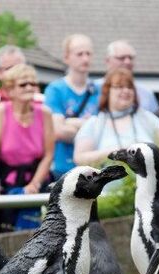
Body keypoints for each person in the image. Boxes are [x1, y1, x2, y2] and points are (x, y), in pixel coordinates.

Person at [0, 64, 54, 230]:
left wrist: (35, 184)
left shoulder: (44, 114)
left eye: (32, 83)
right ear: (10, 90)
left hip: (38, 178)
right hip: (8, 180)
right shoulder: (1, 112)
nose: (29, 87)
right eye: (23, 84)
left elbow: (48, 155)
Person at [74, 68, 159, 167]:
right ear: (107, 90)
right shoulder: (95, 123)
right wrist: (113, 152)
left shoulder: (148, 118)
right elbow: (79, 158)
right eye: (120, 87)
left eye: (129, 87)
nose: (126, 91)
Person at [44, 34, 99, 178]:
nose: (85, 58)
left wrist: (71, 122)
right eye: (79, 54)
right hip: (63, 168)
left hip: (93, 169)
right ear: (66, 57)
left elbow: (102, 131)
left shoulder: (99, 90)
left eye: (88, 54)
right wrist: (89, 128)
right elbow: (58, 131)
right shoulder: (55, 89)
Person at [101, 40, 159, 113]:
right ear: (107, 61)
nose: (127, 62)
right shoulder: (93, 90)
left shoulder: (146, 94)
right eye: (121, 58)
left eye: (131, 58)